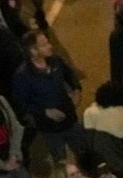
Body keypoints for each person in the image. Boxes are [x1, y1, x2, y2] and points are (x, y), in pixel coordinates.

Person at [11, 30, 85, 161]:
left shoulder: (55, 60)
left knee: (84, 153)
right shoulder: (22, 76)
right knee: (60, 162)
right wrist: (45, 112)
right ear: (33, 51)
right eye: (44, 44)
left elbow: (70, 75)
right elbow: (21, 104)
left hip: (71, 119)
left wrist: (77, 91)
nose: (50, 46)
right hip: (50, 129)